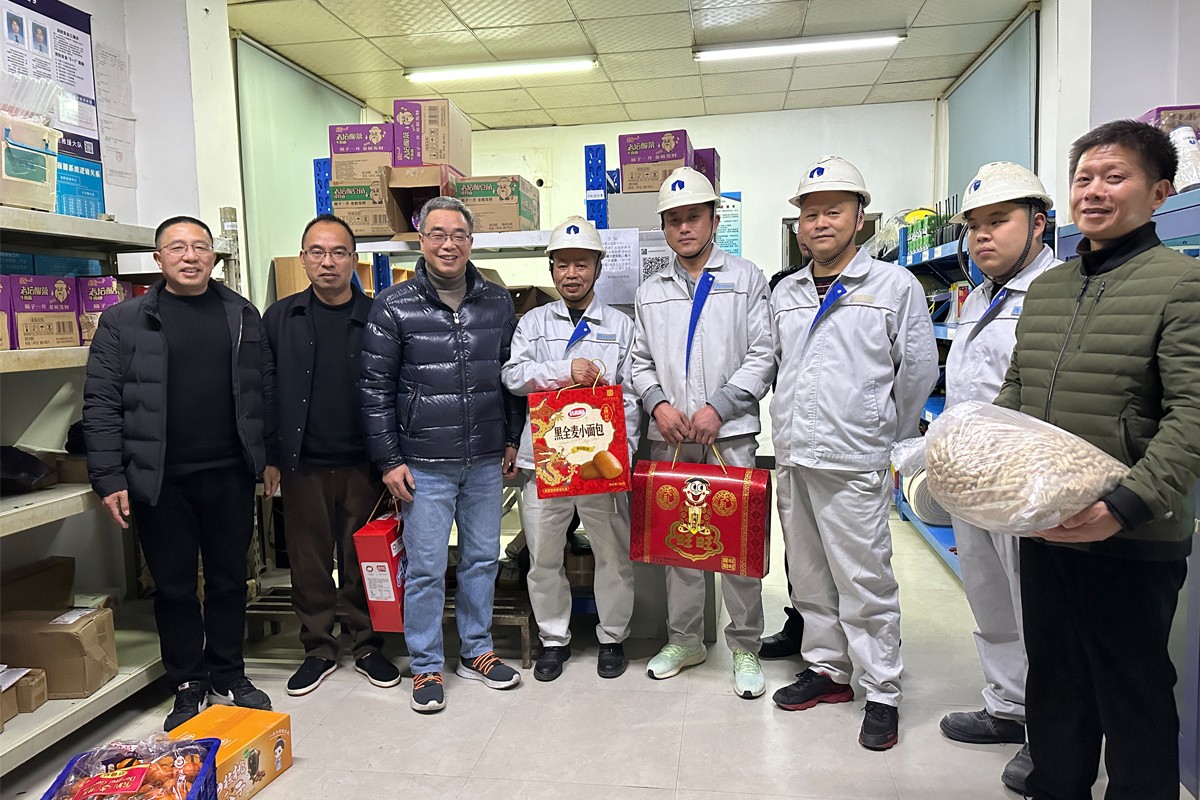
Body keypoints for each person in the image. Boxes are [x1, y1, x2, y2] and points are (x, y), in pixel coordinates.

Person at [995, 119, 1200, 800]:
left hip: (1132, 534)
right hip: (1047, 524)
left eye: (1115, 177)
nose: (1094, 191)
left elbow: (1192, 416)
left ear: (1160, 192)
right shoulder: (1048, 289)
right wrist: (981, 456)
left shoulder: (1181, 284)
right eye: (1084, 178)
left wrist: (1123, 506)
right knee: (1054, 677)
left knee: (1132, 688)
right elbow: (1017, 393)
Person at [770, 155, 938, 751]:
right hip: (794, 454)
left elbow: (917, 372)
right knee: (809, 576)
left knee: (865, 580)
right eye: (810, 213)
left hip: (853, 457)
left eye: (833, 211)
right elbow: (777, 365)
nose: (820, 223)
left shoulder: (894, 286)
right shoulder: (786, 291)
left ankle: (883, 688)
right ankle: (828, 670)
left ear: (859, 217)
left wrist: (881, 432)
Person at [84, 215, 274, 730]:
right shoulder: (123, 321)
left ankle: (229, 672)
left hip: (230, 473)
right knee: (173, 587)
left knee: (231, 580)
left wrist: (269, 457)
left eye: (200, 247)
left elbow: (263, 390)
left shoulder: (241, 313)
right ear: (158, 258)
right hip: (160, 478)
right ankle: (188, 682)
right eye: (177, 248)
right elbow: (100, 403)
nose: (190, 256)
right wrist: (109, 476)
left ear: (214, 256)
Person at [360, 196, 525, 713]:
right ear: (422, 240)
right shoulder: (393, 305)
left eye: (458, 235)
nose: (448, 244)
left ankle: (476, 650)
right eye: (438, 234)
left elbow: (512, 379)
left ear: (471, 242)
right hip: (423, 462)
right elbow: (374, 389)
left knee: (482, 559)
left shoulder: (497, 302)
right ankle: (427, 663)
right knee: (427, 567)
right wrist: (389, 460)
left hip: (485, 458)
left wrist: (513, 438)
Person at [936, 162, 1062, 792]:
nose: (982, 236)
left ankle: (1052, 734)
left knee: (1033, 606)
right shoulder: (981, 294)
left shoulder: (1055, 293)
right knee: (988, 595)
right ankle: (1008, 705)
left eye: (999, 221)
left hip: (1023, 477)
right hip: (971, 475)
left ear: (1038, 224)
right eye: (974, 225)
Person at [630, 167, 775, 698]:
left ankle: (745, 646)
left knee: (737, 541)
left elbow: (764, 354)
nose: (684, 228)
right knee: (679, 544)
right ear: (664, 228)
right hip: (670, 438)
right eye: (674, 220)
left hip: (728, 434)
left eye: (693, 217)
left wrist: (721, 406)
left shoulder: (746, 278)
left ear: (714, 220)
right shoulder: (650, 291)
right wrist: (657, 403)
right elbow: (638, 361)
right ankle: (685, 640)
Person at [262, 214, 400, 697]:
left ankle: (367, 644)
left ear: (353, 259)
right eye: (317, 252)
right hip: (303, 464)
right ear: (303, 259)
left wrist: (392, 457)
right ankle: (318, 648)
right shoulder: (280, 318)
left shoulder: (379, 316)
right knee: (309, 562)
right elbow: (264, 389)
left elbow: (397, 387)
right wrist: (270, 454)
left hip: (365, 463)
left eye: (338, 252)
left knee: (365, 560)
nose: (328, 262)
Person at [501, 215, 640, 682]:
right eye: (562, 264)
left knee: (612, 555)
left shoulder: (621, 326)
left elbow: (632, 396)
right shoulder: (533, 322)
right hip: (547, 463)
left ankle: (612, 637)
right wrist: (564, 371)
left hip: (601, 465)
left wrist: (625, 454)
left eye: (581, 264)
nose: (572, 274)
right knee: (543, 556)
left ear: (598, 267)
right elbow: (513, 376)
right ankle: (553, 639)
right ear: (552, 269)